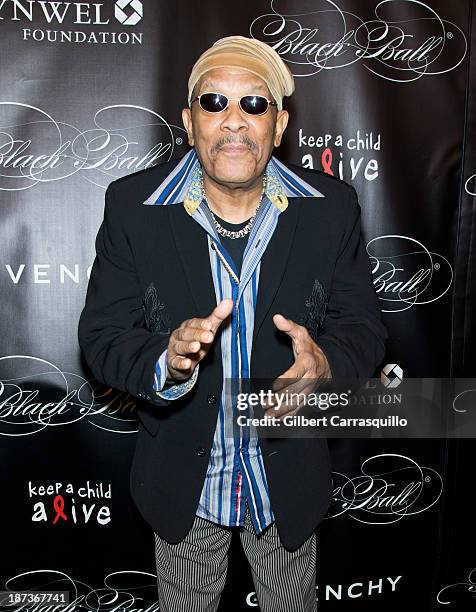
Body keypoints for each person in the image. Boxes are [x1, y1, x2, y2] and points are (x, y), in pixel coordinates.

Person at [78, 35, 388, 612]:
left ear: (280, 122)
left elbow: (363, 326)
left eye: (254, 104)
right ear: (189, 120)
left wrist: (326, 366)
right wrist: (165, 359)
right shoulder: (132, 207)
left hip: (286, 484)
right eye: (214, 103)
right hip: (184, 489)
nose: (234, 122)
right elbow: (101, 337)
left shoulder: (332, 207)